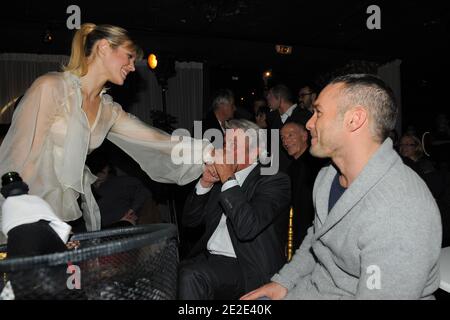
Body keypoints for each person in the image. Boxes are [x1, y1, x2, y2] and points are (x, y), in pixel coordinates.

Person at [0, 23, 211, 242]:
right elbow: (19, 158)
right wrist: (21, 216)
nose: (132, 66)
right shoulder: (51, 87)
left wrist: (207, 153)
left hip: (59, 215)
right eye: (129, 56)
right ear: (103, 47)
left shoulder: (107, 110)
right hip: (22, 209)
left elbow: (155, 140)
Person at [241, 74, 442, 300]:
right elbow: (317, 239)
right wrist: (284, 282)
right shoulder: (327, 176)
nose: (308, 123)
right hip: (314, 289)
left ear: (354, 120)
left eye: (319, 113)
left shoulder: (400, 209)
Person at [178, 119, 290, 300]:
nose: (225, 150)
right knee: (172, 271)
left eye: (234, 144)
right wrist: (205, 183)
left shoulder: (273, 180)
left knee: (191, 274)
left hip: (245, 265)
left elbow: (248, 228)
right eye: (225, 143)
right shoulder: (221, 181)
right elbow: (190, 222)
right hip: (208, 259)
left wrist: (228, 179)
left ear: (254, 151)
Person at [280, 121, 322, 253]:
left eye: (290, 135)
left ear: (304, 136)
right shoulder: (292, 167)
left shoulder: (315, 164)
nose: (286, 142)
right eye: (283, 138)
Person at [91, 163, 151, 229]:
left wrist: (132, 210)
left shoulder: (118, 182)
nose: (100, 174)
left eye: (103, 171)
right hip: (100, 230)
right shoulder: (87, 191)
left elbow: (142, 189)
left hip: (124, 226)